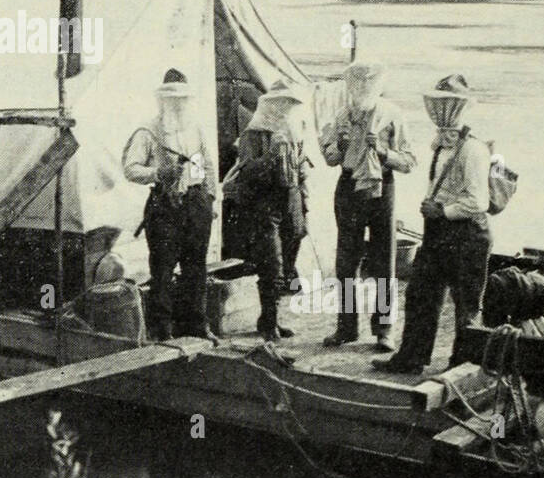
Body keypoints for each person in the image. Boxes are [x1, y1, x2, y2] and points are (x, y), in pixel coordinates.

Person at [374, 74, 492, 374]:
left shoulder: (473, 149)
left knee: (466, 305)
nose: (440, 112)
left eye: (447, 105)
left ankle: (462, 366)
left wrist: (442, 210)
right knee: (420, 294)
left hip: (467, 234)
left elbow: (479, 202)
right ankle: (412, 357)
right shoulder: (441, 144)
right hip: (438, 233)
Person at [319, 62, 415, 350]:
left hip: (381, 187)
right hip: (348, 187)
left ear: (377, 86)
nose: (361, 89)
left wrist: (383, 151)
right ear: (350, 87)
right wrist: (342, 146)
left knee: (384, 260)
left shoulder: (392, 115)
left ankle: (384, 330)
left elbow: (409, 161)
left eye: (367, 84)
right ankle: (346, 327)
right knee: (346, 261)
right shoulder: (340, 116)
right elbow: (330, 158)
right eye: (356, 84)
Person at [123, 68, 218, 342]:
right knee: (163, 270)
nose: (178, 105)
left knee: (196, 267)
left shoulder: (196, 129)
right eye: (173, 100)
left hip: (196, 203)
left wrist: (208, 197)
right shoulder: (149, 132)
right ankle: (163, 331)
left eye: (183, 100)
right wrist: (157, 174)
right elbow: (130, 169)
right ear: (163, 100)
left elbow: (206, 166)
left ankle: (196, 326)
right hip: (165, 207)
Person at [223, 79, 310, 344]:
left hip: (291, 202)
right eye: (280, 105)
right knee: (271, 266)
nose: (283, 111)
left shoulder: (295, 132)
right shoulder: (253, 134)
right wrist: (272, 155)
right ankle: (268, 322)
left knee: (287, 263)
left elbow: (302, 169)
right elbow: (247, 172)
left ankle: (273, 318)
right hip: (265, 205)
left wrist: (304, 202)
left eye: (288, 106)